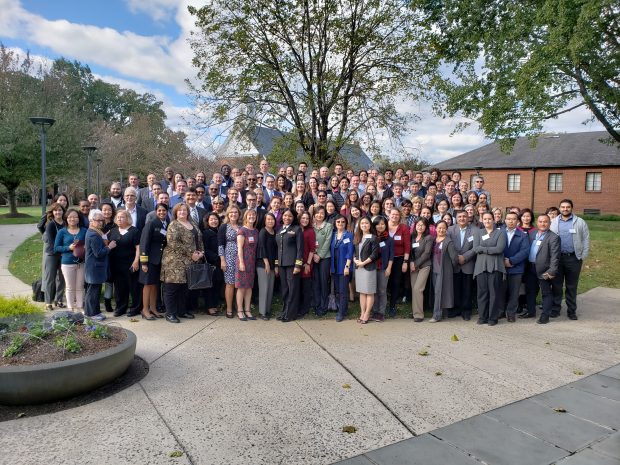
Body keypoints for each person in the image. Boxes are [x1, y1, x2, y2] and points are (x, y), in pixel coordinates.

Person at [161, 203, 205, 323]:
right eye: (179, 210)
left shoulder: (193, 224)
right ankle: (170, 313)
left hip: (191, 261)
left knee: (184, 288)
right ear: (175, 212)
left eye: (184, 210)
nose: (182, 212)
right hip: (174, 261)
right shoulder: (173, 225)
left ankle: (181, 311)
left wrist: (201, 252)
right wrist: (192, 253)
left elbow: (200, 238)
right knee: (172, 288)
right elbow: (173, 244)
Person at [550, 199, 590, 320]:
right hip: (557, 259)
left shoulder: (580, 222)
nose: (565, 209)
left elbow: (586, 239)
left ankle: (571, 311)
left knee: (571, 286)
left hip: (574, 259)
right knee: (556, 285)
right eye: (563, 207)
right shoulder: (553, 222)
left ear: (572, 208)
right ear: (559, 208)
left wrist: (582, 256)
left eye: (568, 207)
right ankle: (556, 309)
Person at [524, 214, 561, 324]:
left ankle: (545, 315)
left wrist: (551, 271)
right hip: (530, 267)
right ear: (537, 223)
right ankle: (531, 312)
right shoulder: (532, 233)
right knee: (530, 291)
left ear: (549, 224)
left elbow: (555, 256)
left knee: (546, 293)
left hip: (544, 270)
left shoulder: (554, 237)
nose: (543, 224)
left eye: (545, 222)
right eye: (540, 221)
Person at [473, 212, 507, 326]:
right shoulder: (478, 232)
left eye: (489, 219)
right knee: (482, 293)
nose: (487, 221)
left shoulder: (500, 233)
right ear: (482, 220)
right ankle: (482, 317)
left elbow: (499, 249)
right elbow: (476, 248)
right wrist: (489, 249)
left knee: (494, 293)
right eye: (485, 219)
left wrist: (484, 249)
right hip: (481, 267)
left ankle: (493, 318)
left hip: (495, 266)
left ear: (493, 220)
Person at [108, 209, 142, 317]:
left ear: (128, 219)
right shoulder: (112, 231)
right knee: (119, 287)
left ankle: (135, 308)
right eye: (118, 217)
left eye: (122, 217)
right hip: (116, 264)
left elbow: (138, 248)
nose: (119, 219)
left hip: (130, 263)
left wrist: (136, 261)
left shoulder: (134, 231)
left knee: (134, 287)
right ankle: (120, 308)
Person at [84, 209, 116, 321]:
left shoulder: (96, 232)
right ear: (92, 221)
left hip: (94, 267)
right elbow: (98, 253)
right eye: (98, 220)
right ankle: (91, 314)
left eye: (102, 220)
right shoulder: (93, 234)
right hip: (94, 267)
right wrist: (109, 247)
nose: (101, 223)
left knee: (94, 291)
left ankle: (95, 312)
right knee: (93, 292)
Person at [139, 203, 169, 320]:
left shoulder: (166, 224)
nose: (162, 212)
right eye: (159, 210)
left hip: (159, 260)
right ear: (156, 212)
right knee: (147, 285)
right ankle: (145, 310)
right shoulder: (151, 224)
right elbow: (144, 244)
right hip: (150, 260)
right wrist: (144, 263)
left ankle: (153, 308)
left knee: (155, 285)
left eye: (164, 210)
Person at [54, 208, 87, 312]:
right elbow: (56, 248)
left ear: (78, 218)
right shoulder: (62, 232)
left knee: (80, 286)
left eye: (75, 217)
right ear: (66, 218)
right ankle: (70, 307)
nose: (73, 219)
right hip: (67, 263)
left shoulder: (84, 230)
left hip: (81, 263)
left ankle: (80, 306)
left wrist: (85, 247)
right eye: (70, 217)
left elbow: (88, 244)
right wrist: (68, 248)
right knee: (69, 287)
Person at [447, 210, 476, 320]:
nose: (462, 218)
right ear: (456, 218)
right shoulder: (450, 230)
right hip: (454, 264)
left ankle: (466, 311)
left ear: (468, 218)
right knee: (455, 289)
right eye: (460, 217)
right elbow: (448, 244)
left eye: (464, 216)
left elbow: (475, 247)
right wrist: (456, 257)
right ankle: (455, 309)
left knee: (467, 289)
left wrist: (465, 257)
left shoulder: (475, 230)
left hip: (468, 264)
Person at [276, 209, 304, 322]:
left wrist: (298, 265)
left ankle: (290, 314)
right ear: (282, 217)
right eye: (285, 215)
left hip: (292, 264)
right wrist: (277, 264)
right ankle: (285, 311)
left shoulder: (297, 230)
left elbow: (300, 249)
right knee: (285, 289)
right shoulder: (279, 230)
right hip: (282, 264)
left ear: (293, 218)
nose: (287, 218)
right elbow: (277, 248)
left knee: (293, 289)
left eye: (290, 216)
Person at [502, 211, 530, 322]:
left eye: (513, 219)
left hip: (516, 268)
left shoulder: (523, 235)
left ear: (518, 222)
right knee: (501, 291)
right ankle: (500, 312)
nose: (511, 221)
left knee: (514, 293)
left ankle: (511, 313)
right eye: (508, 219)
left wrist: (512, 261)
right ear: (505, 221)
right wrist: (503, 260)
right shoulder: (499, 233)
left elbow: (525, 251)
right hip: (501, 267)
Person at [430, 220, 458, 322]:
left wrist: (450, 268)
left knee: (439, 292)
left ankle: (436, 315)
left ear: (446, 230)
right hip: (434, 270)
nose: (441, 230)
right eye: (439, 228)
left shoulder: (448, 242)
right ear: (436, 229)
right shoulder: (433, 240)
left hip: (444, 271)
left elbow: (454, 258)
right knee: (437, 291)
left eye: (443, 228)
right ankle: (444, 313)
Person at [353, 217, 379, 324]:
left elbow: (375, 254)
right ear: (359, 225)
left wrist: (363, 263)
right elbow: (355, 251)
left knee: (369, 292)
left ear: (370, 225)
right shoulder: (358, 237)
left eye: (366, 223)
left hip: (368, 268)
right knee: (362, 292)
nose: (364, 225)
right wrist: (355, 259)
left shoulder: (373, 238)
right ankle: (362, 312)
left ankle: (367, 313)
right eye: (362, 223)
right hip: (359, 268)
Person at [218, 205, 242, 318]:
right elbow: (220, 244)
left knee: (240, 284)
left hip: (242, 258)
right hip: (229, 258)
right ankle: (229, 309)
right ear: (228, 214)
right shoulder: (224, 227)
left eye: (236, 212)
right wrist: (222, 260)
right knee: (230, 284)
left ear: (239, 214)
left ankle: (239, 307)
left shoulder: (242, 226)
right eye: (231, 212)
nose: (233, 214)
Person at [386, 208, 411, 317]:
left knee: (396, 282)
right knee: (385, 282)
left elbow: (407, 246)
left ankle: (392, 306)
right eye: (393, 214)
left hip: (399, 259)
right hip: (384, 259)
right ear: (389, 215)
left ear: (400, 216)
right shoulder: (384, 226)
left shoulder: (404, 228)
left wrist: (405, 261)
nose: (395, 216)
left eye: (397, 215)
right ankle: (382, 304)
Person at [42, 203, 66, 311]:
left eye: (60, 210)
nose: (58, 212)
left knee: (61, 278)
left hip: (63, 254)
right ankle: (48, 302)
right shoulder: (50, 225)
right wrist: (61, 249)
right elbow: (51, 242)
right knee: (50, 279)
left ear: (63, 211)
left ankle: (59, 300)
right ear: (52, 212)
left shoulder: (66, 223)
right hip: (52, 254)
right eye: (55, 211)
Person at [235, 210, 259, 321]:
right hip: (243, 261)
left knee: (249, 287)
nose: (252, 217)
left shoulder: (256, 231)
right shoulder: (242, 231)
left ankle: (248, 310)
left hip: (252, 262)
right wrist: (241, 262)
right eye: (249, 215)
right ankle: (240, 311)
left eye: (253, 215)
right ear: (245, 217)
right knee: (241, 287)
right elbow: (239, 248)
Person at [330, 215, 354, 322]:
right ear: (335, 223)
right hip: (334, 267)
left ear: (346, 223)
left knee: (343, 290)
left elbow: (350, 252)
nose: (340, 223)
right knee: (338, 290)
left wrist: (347, 266)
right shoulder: (333, 235)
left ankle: (341, 313)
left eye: (342, 222)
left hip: (344, 266)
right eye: (338, 222)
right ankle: (343, 309)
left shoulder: (349, 235)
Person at [410, 218, 433, 322]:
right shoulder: (412, 237)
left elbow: (427, 254)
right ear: (415, 226)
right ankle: (415, 312)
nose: (420, 227)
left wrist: (416, 264)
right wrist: (411, 262)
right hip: (413, 266)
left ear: (426, 227)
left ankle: (419, 315)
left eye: (422, 225)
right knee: (414, 289)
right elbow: (409, 251)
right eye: (418, 225)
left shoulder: (429, 238)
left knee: (418, 289)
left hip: (424, 266)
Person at [371, 217, 393, 322]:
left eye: (383, 224)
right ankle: (374, 311)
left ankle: (381, 312)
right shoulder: (372, 237)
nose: (380, 226)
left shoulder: (389, 239)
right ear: (374, 225)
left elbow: (391, 256)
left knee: (382, 290)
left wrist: (389, 268)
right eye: (378, 224)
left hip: (383, 268)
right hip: (372, 268)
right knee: (373, 290)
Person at [312, 206, 333, 317]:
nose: (319, 215)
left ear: (325, 215)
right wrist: (314, 254)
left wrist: (319, 255)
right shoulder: (312, 226)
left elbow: (327, 242)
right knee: (316, 282)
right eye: (317, 213)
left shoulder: (328, 226)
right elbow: (310, 241)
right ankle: (316, 304)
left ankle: (324, 306)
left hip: (325, 258)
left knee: (324, 282)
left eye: (322, 213)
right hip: (313, 257)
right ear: (314, 214)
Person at [256, 213, 278, 320]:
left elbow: (277, 250)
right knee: (264, 288)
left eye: (272, 219)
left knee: (270, 288)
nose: (270, 221)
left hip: (273, 264)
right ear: (265, 221)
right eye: (268, 219)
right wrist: (266, 263)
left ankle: (267, 310)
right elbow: (261, 248)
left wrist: (276, 265)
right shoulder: (263, 232)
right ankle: (262, 312)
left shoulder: (275, 232)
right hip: (263, 264)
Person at [201, 212, 223, 316]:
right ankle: (209, 307)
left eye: (215, 219)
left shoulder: (220, 231)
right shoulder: (206, 233)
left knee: (218, 284)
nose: (214, 221)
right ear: (207, 221)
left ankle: (215, 305)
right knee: (210, 286)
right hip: (211, 263)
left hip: (221, 263)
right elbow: (204, 249)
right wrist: (216, 257)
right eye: (211, 220)